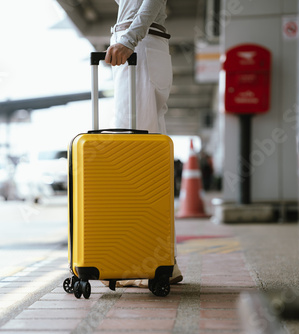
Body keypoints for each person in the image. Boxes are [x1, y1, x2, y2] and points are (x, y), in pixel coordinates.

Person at [104, 0, 183, 287]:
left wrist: (128, 39)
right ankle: (161, 258)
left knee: (134, 159)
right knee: (150, 159)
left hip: (139, 48)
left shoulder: (132, 41)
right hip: (148, 47)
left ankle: (144, 262)